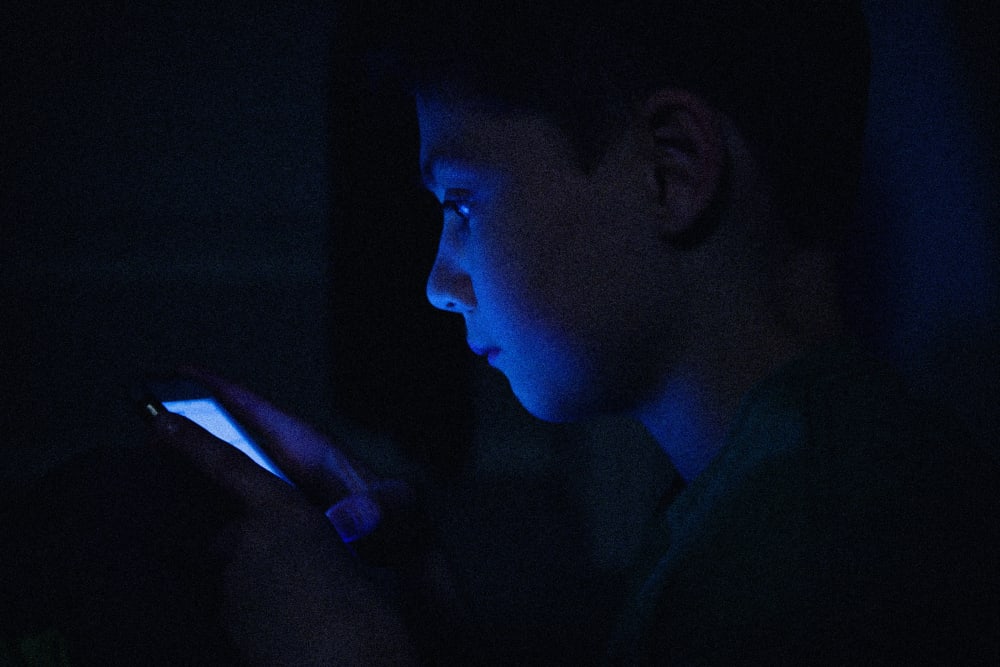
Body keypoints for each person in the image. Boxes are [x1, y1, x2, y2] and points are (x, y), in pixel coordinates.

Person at [152, 1, 1000, 664]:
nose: (438, 284)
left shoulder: (816, 559)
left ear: (670, 170)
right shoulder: (764, 485)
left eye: (462, 204)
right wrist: (429, 617)